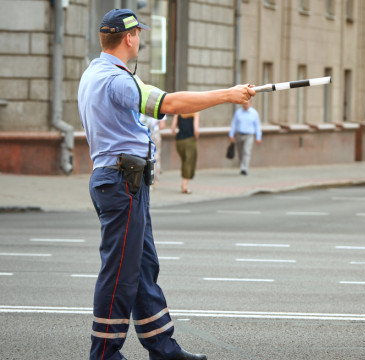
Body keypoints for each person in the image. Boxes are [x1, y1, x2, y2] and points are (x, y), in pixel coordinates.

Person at [77, 9, 254, 360]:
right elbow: (170, 103)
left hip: (122, 180)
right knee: (120, 272)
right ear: (129, 37)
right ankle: (103, 354)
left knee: (142, 267)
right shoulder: (117, 80)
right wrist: (229, 94)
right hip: (122, 182)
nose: (140, 39)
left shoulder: (94, 73)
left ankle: (163, 348)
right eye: (138, 34)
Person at [229, 99, 262, 175]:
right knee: (240, 152)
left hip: (249, 135)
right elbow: (234, 124)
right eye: (244, 103)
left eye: (247, 103)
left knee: (246, 151)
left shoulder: (254, 113)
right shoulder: (238, 113)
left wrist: (258, 137)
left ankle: (244, 168)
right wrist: (231, 134)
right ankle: (242, 166)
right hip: (239, 135)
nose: (246, 105)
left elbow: (257, 126)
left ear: (250, 104)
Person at [171, 112, 200, 194]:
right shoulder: (195, 112)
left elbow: (173, 129)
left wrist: (177, 135)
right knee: (188, 162)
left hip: (179, 141)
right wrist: (196, 138)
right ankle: (184, 185)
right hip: (190, 140)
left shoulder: (178, 113)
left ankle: (184, 183)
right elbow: (196, 130)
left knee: (184, 161)